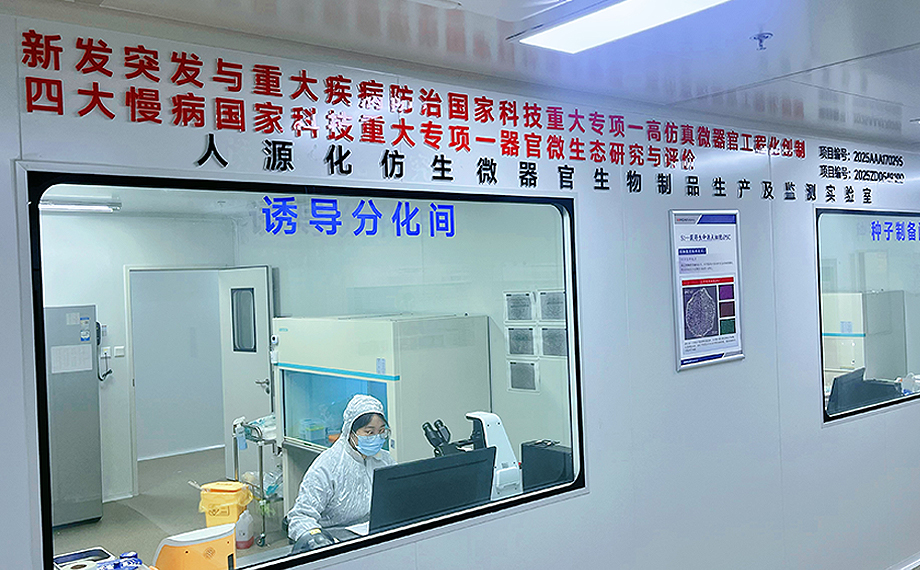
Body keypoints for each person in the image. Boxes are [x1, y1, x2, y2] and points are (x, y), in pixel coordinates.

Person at [287, 394, 395, 553]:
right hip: (335, 543)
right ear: (351, 432)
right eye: (369, 432)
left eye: (381, 432)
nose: (376, 438)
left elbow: (398, 499)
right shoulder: (328, 465)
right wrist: (318, 540)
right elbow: (300, 516)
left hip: (374, 538)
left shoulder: (384, 460)